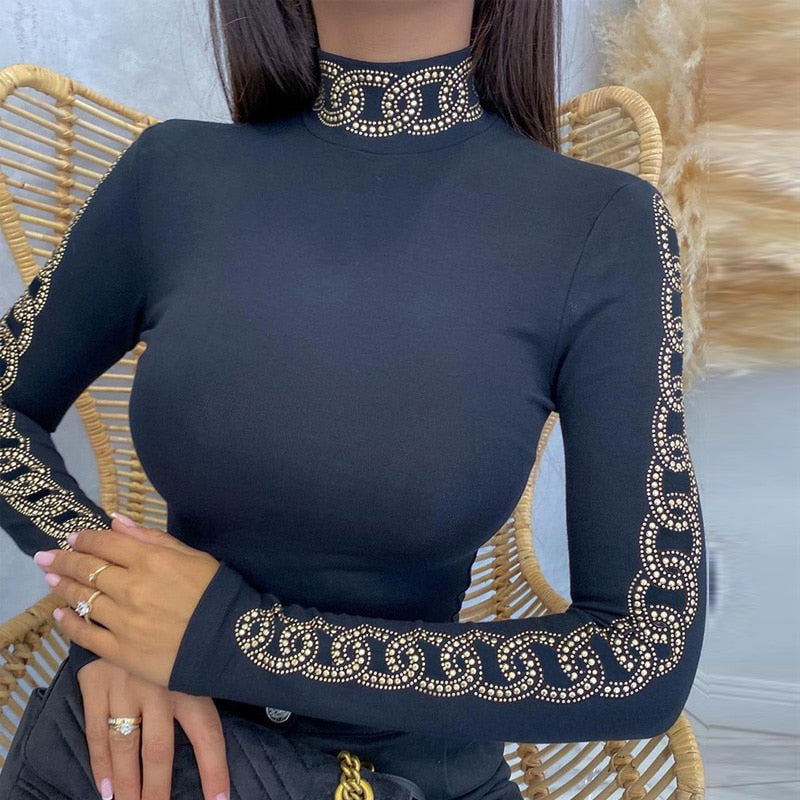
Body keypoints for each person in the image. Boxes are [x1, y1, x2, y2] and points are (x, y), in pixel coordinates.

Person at [0, 0, 708, 798]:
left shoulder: (605, 226)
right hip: (154, 752)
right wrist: (119, 614)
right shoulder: (171, 175)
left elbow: (642, 657)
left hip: (407, 772)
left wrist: (230, 641)